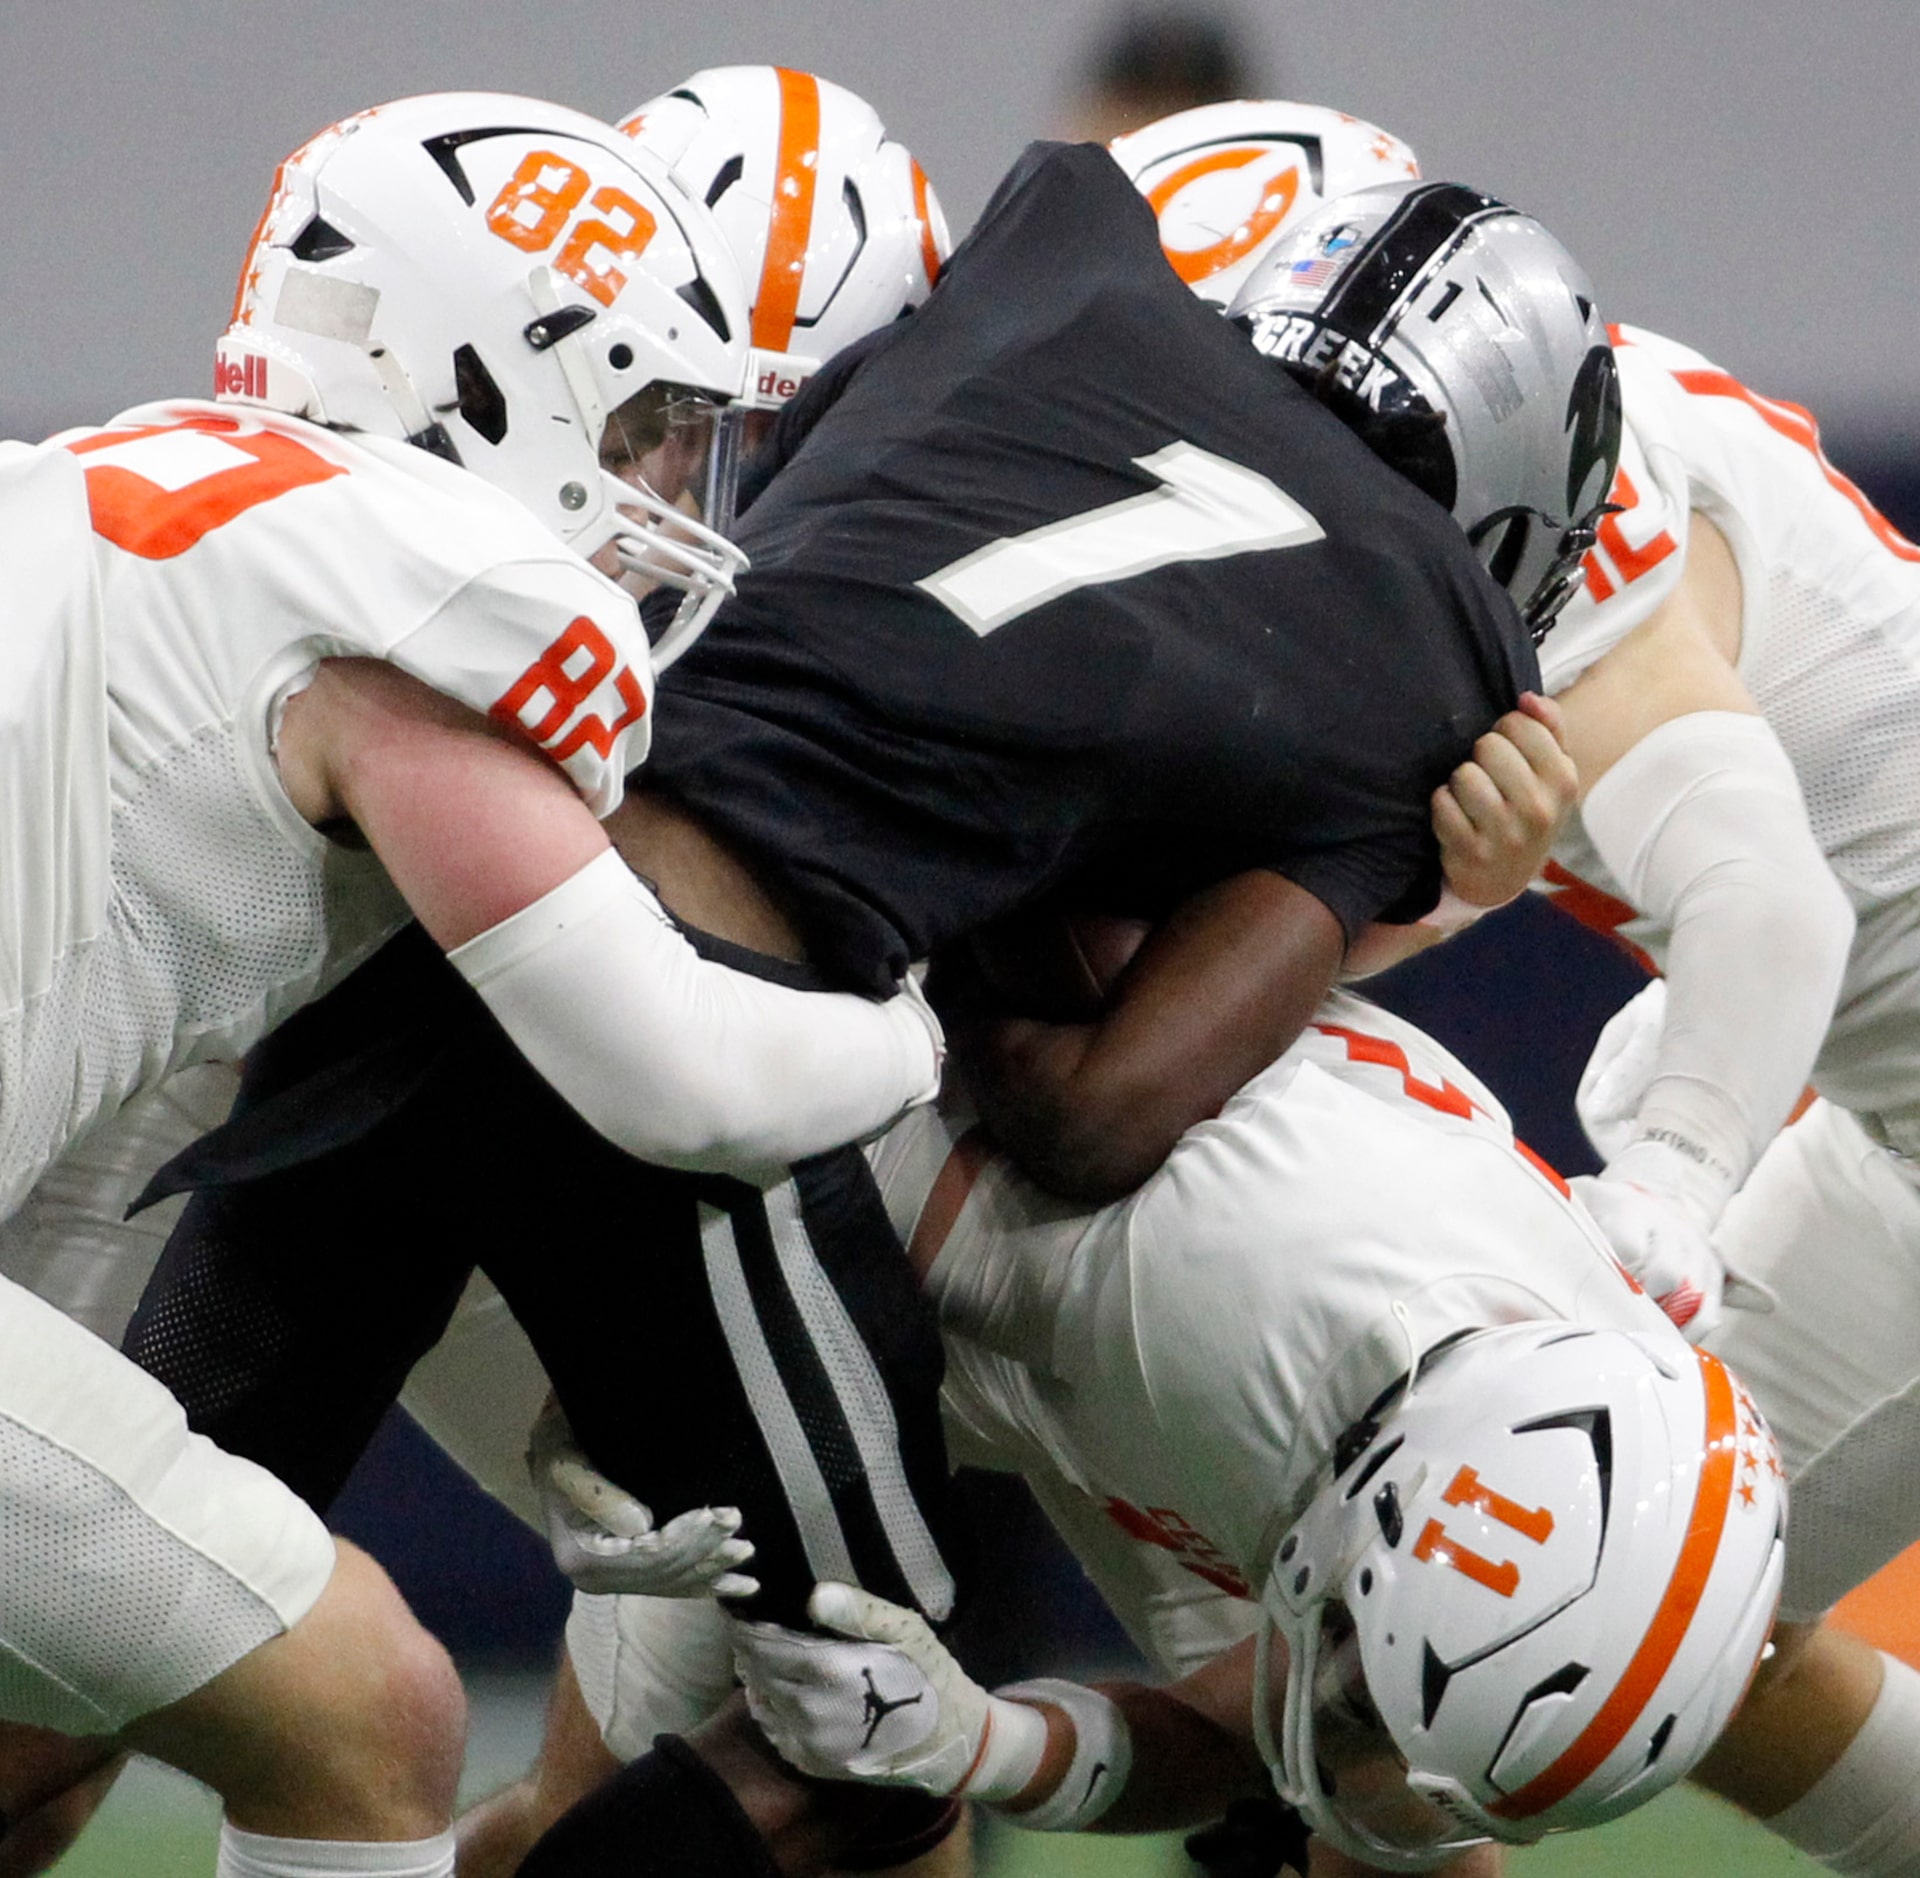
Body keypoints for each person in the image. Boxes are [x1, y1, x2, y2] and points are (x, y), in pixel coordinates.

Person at [0, 88, 959, 1878]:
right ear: (497, 373)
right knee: (375, 1707)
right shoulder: (418, 592)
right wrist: (907, 1034)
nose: (678, 488)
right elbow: (679, 1072)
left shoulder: (94, 481)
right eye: (658, 424)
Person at [462, 988, 1787, 1878]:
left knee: (1394, 1814)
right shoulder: (1180, 1293)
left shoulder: (1585, 1411)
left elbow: (1253, 1737)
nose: (1341, 1717)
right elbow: (812, 1211)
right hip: (936, 1207)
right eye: (1356, 1662)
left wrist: (982, 1738)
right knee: (631, 1805)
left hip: (1195, 1383)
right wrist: (646, 1382)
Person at [1521, 319, 1920, 1875]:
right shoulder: (1531, 414)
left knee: (1571, 1625)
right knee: (1593, 1636)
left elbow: (1777, 904)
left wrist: (1681, 1174)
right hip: (1892, 1125)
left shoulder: (1544, 503)